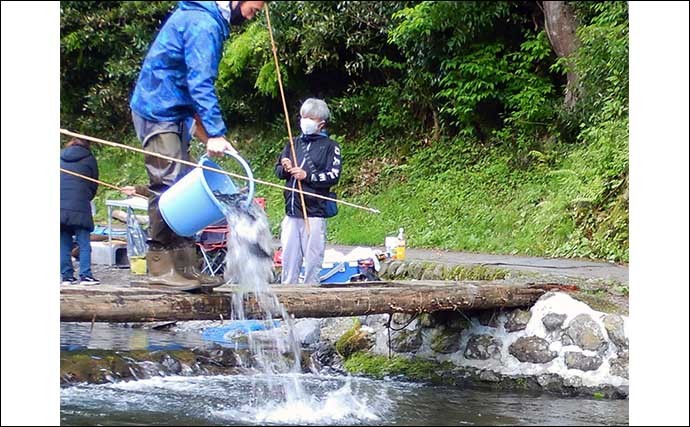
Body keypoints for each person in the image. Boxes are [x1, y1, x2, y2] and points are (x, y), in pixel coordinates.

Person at [129, 1, 265, 290]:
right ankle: (161, 268)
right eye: (257, 4)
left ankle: (185, 266)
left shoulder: (207, 18)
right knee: (167, 183)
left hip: (175, 111)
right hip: (157, 109)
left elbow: (191, 87)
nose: (258, 11)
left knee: (185, 182)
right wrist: (215, 133)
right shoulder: (203, 23)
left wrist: (211, 136)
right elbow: (200, 83)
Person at [275, 98, 342, 285]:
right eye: (303, 116)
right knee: (289, 256)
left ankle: (312, 293)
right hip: (291, 211)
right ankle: (287, 296)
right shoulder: (293, 143)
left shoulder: (331, 147)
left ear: (321, 123)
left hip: (314, 212)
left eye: (309, 117)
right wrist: (285, 167)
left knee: (313, 259)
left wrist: (308, 176)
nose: (304, 121)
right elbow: (278, 172)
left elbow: (333, 176)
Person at [60, 138, 100, 285]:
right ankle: (85, 275)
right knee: (83, 243)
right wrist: (86, 196)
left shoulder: (59, 157)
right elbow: (93, 184)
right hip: (80, 206)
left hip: (59, 207)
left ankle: (66, 277)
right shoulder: (89, 159)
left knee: (63, 243)